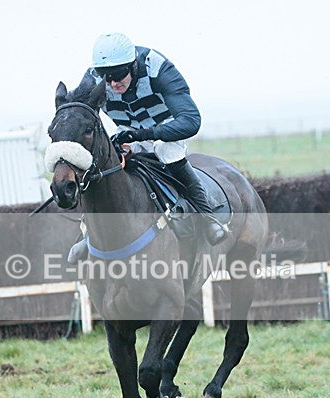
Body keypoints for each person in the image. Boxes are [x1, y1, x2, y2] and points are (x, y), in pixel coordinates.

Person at [83, 32, 227, 246]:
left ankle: (208, 217)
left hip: (166, 130)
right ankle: (87, 234)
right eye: (107, 77)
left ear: (132, 65)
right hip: (127, 131)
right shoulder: (93, 78)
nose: (113, 84)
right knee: (103, 163)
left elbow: (190, 120)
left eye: (119, 75)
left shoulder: (158, 69)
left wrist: (146, 133)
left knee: (166, 151)